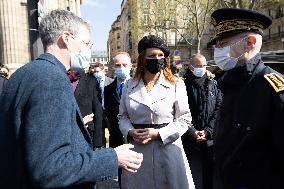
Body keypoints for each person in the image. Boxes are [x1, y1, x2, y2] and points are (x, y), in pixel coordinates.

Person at [0, 9, 143, 189]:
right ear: (66, 38)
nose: (88, 51)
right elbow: (49, 169)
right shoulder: (51, 79)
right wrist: (113, 157)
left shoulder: (22, 74)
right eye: (86, 43)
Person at [210, 8, 284, 188]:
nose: (217, 50)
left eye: (223, 43)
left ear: (249, 42)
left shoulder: (273, 87)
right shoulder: (229, 82)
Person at [118, 35, 195, 189]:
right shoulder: (129, 85)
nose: (157, 59)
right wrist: (130, 131)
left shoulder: (176, 84)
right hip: (137, 152)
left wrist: (159, 134)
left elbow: (184, 119)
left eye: (160, 55)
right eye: (152, 56)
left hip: (168, 149)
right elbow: (122, 116)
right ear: (142, 59)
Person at [182, 53, 222, 189]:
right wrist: (192, 131)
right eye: (199, 66)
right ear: (191, 67)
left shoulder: (212, 83)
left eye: (204, 65)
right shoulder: (182, 85)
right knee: (184, 171)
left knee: (209, 172)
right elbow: (179, 112)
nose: (202, 68)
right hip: (187, 136)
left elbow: (218, 107)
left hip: (208, 136)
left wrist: (208, 131)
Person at [104, 52, 132, 189]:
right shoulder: (108, 89)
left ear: (131, 66)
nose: (121, 68)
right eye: (117, 65)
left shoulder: (139, 85)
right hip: (116, 137)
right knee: (121, 174)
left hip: (134, 136)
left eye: (124, 65)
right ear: (113, 67)